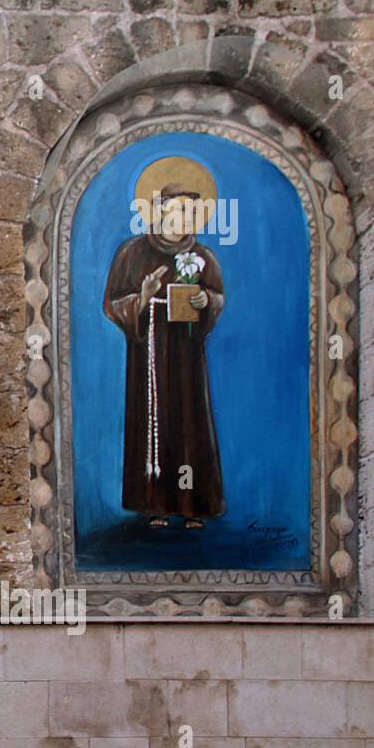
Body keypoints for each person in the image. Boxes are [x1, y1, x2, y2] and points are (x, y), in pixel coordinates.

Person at [103, 156, 225, 528]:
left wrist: (207, 301)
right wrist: (144, 296)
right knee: (152, 422)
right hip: (150, 354)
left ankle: (192, 506)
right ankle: (155, 503)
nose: (183, 220)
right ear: (158, 212)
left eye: (190, 213)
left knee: (190, 422)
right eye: (176, 212)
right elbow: (113, 302)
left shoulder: (201, 257)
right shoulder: (133, 253)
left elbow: (216, 297)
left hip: (187, 355)